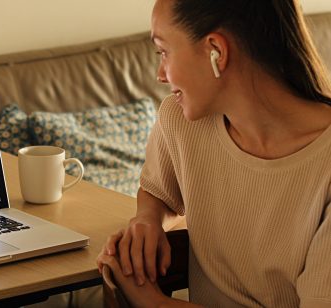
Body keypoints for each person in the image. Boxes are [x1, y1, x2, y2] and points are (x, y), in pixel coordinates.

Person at [96, 0, 331, 306]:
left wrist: (151, 302)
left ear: (216, 51)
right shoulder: (181, 120)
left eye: (164, 52)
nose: (160, 74)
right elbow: (158, 192)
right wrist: (147, 219)